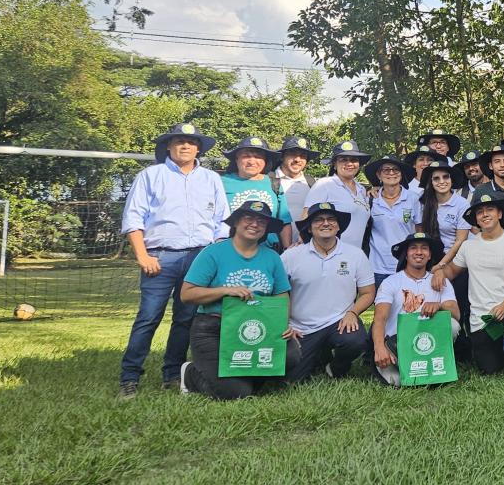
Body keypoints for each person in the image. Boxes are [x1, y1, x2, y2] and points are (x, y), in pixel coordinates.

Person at [118, 122, 229, 399]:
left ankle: (172, 374)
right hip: (160, 257)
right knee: (148, 318)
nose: (185, 146)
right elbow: (133, 217)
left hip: (199, 258)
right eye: (179, 141)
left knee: (186, 319)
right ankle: (129, 377)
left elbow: (222, 222)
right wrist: (142, 255)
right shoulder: (150, 175)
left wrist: (213, 255)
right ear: (168, 146)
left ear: (199, 148)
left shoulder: (211, 179)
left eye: (191, 142)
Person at [177, 201, 295, 400]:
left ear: (266, 228)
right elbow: (186, 294)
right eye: (248, 218)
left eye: (261, 221)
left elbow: (282, 295)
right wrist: (225, 290)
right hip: (214, 327)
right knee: (234, 392)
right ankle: (190, 373)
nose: (255, 224)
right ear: (236, 223)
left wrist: (283, 324)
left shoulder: (272, 257)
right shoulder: (213, 253)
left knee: (292, 355)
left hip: (259, 325)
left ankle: (244, 376)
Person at [432, 193, 504, 377]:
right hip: (482, 317)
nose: (485, 214)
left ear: (500, 214)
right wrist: (441, 269)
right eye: (480, 212)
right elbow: (452, 271)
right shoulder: (468, 246)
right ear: (476, 219)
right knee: (489, 368)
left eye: (490, 210)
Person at [283, 203, 373, 382]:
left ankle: (337, 367)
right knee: (290, 379)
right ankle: (320, 356)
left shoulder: (355, 255)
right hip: (300, 328)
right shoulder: (290, 256)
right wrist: (284, 323)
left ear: (339, 226)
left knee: (355, 341)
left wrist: (353, 312)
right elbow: (278, 294)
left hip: (338, 322)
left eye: (331, 219)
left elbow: (368, 292)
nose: (325, 223)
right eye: (318, 220)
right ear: (309, 227)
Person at [372, 233, 461, 387]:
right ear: (405, 255)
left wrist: (439, 305)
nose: (419, 252)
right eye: (413, 248)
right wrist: (379, 347)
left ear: (430, 255)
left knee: (452, 324)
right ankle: (409, 369)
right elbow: (380, 318)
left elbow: (456, 314)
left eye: (424, 249)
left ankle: (433, 368)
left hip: (428, 343)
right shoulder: (390, 282)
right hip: (398, 344)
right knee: (397, 382)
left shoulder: (440, 281)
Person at [220, 136, 291, 249]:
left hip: (268, 251)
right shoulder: (221, 183)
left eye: (258, 157)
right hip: (231, 250)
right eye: (246, 156)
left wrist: (288, 250)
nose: (252, 161)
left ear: (265, 161)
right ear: (236, 159)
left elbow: (285, 221)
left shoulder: (274, 183)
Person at [305, 141, 373, 249]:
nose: (349, 163)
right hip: (328, 253)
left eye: (353, 160)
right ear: (335, 165)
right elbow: (306, 218)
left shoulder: (362, 190)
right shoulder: (324, 185)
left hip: (355, 255)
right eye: (343, 160)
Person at [364, 155, 418, 285]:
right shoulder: (370, 200)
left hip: (406, 265)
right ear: (378, 175)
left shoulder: (413, 198)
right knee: (381, 304)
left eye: (395, 169)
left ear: (401, 174)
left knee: (408, 304)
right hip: (377, 267)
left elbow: (420, 231)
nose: (391, 173)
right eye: (386, 170)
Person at [413, 162, 470, 269]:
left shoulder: (462, 204)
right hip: (427, 258)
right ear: (431, 182)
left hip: (454, 262)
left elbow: (460, 241)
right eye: (436, 178)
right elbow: (419, 231)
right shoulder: (422, 200)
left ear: (451, 180)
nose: (442, 181)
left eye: (445, 177)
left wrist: (440, 265)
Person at [271, 136, 319, 242]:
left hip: (305, 248)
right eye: (292, 154)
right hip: (274, 248)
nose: (297, 159)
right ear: (282, 157)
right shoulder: (269, 180)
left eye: (302, 156)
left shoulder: (311, 183)